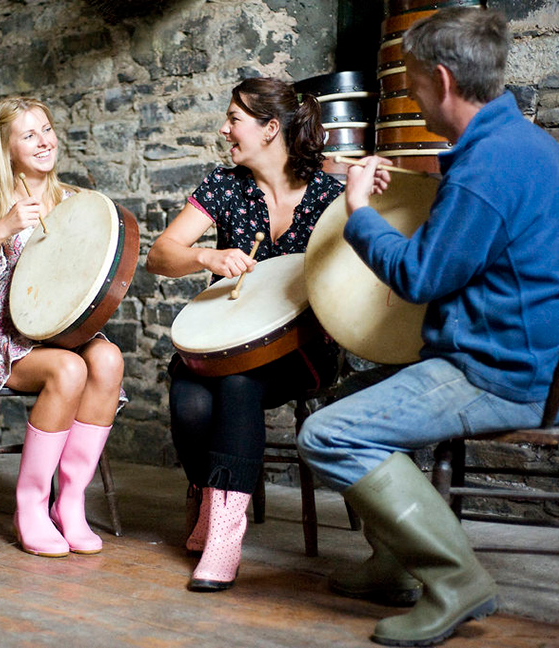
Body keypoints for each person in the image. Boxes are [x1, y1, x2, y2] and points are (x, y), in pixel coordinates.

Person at [297, 8, 559, 646]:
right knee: (346, 399)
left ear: (442, 79)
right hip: (521, 353)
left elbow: (419, 277)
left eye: (411, 81)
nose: (409, 93)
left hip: (506, 372)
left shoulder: (487, 169)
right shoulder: (519, 144)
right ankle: (395, 563)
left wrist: (359, 210)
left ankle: (456, 581)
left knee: (328, 433)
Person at [146, 77, 344, 591]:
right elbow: (159, 254)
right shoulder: (224, 185)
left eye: (234, 118)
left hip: (301, 348)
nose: (224, 127)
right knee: (190, 400)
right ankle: (212, 497)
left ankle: (224, 539)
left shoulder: (329, 194)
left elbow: (359, 273)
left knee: (239, 385)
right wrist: (204, 256)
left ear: (270, 128)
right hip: (222, 341)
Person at [0, 96, 125, 558]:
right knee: (68, 371)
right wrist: (2, 228)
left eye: (46, 129)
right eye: (29, 134)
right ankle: (31, 507)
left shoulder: (74, 201)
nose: (44, 141)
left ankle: (70, 501)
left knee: (107, 357)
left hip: (58, 333)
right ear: (7, 147)